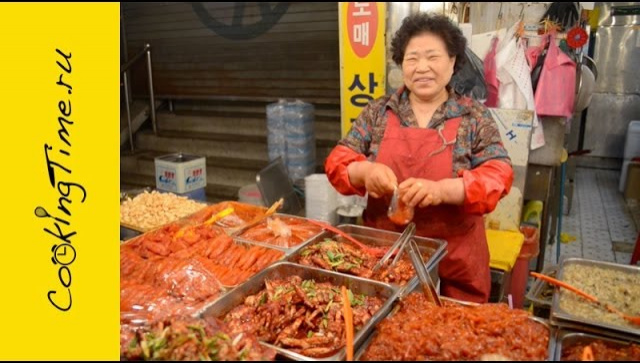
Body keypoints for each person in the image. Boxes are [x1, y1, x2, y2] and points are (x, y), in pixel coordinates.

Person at [325, 13, 513, 303]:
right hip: (385, 258)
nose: (422, 67)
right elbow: (338, 160)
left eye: (432, 57)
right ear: (401, 65)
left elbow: (499, 174)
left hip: (456, 262)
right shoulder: (378, 112)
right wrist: (364, 172)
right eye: (412, 59)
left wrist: (443, 191)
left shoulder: (474, 116)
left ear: (452, 62)